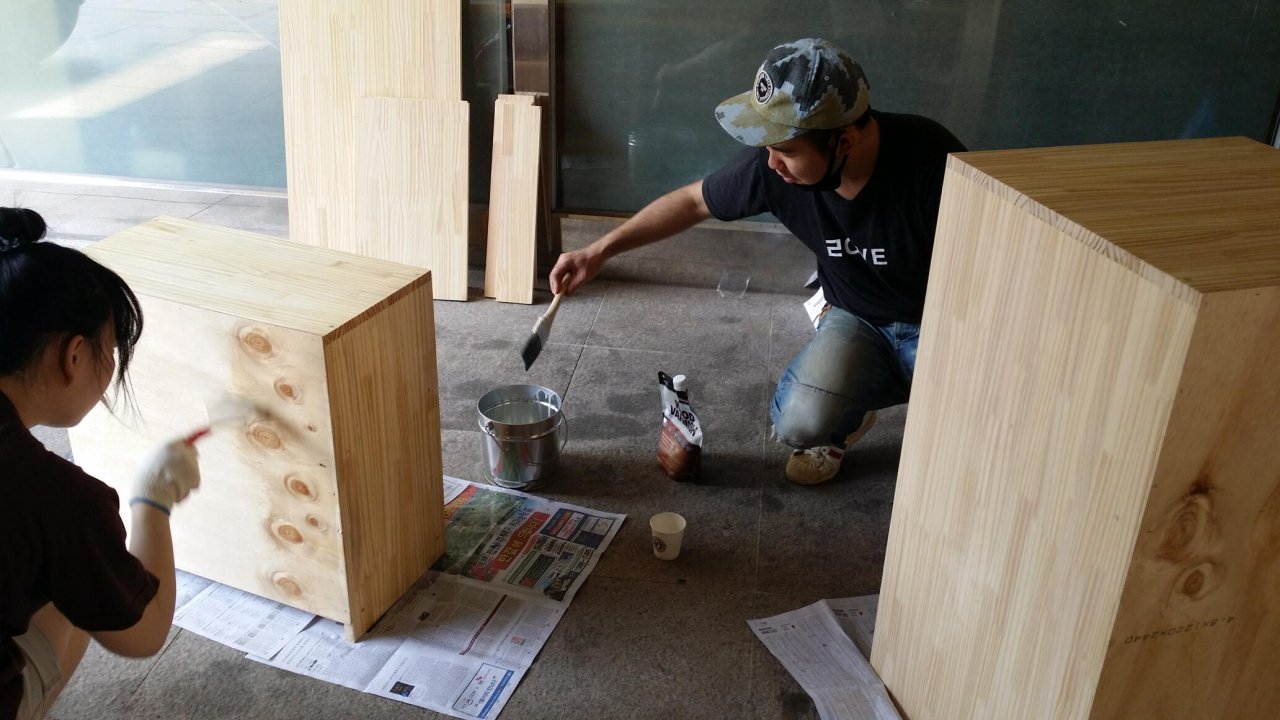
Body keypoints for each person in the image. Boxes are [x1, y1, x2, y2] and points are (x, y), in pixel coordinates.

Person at [550, 38, 966, 485]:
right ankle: (848, 413)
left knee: (968, 436)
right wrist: (599, 251)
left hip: (945, 322)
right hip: (857, 317)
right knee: (800, 421)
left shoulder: (934, 164)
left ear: (844, 140)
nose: (770, 164)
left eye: (785, 151)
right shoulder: (775, 168)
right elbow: (692, 202)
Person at [0, 207, 202, 720]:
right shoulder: (57, 497)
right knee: (77, 586)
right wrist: (152, 501)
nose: (111, 366)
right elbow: (144, 634)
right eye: (109, 350)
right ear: (73, 356)